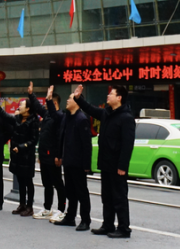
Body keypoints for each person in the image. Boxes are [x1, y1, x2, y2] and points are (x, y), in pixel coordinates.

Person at [74, 83, 136, 238]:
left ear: (119, 98)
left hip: (117, 165)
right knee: (106, 196)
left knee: (119, 197)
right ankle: (108, 225)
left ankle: (124, 228)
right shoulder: (106, 113)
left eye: (111, 94)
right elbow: (90, 109)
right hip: (106, 162)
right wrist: (78, 98)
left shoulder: (126, 118)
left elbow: (127, 144)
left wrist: (123, 165)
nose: (108, 96)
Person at [27, 83, 67, 221]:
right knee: (47, 183)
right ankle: (47, 208)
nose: (45, 105)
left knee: (58, 183)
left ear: (54, 103)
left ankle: (61, 209)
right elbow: (38, 107)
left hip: (53, 155)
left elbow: (59, 138)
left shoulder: (60, 116)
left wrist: (58, 155)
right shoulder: (47, 114)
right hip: (44, 154)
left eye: (48, 102)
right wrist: (31, 94)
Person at [53, 93, 92, 231]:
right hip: (68, 160)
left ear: (77, 102)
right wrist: (59, 155)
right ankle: (70, 217)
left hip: (78, 162)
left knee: (81, 192)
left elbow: (87, 144)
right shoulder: (67, 117)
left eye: (70, 98)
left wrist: (86, 165)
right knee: (70, 191)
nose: (67, 100)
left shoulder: (82, 119)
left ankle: (85, 220)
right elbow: (62, 138)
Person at [2, 97, 39, 217]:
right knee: (20, 181)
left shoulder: (33, 121)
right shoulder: (17, 118)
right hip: (17, 155)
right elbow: (5, 116)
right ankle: (22, 204)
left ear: (27, 108)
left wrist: (22, 147)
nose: (19, 106)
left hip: (27, 156)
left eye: (22, 104)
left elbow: (34, 140)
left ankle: (29, 206)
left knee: (28, 181)